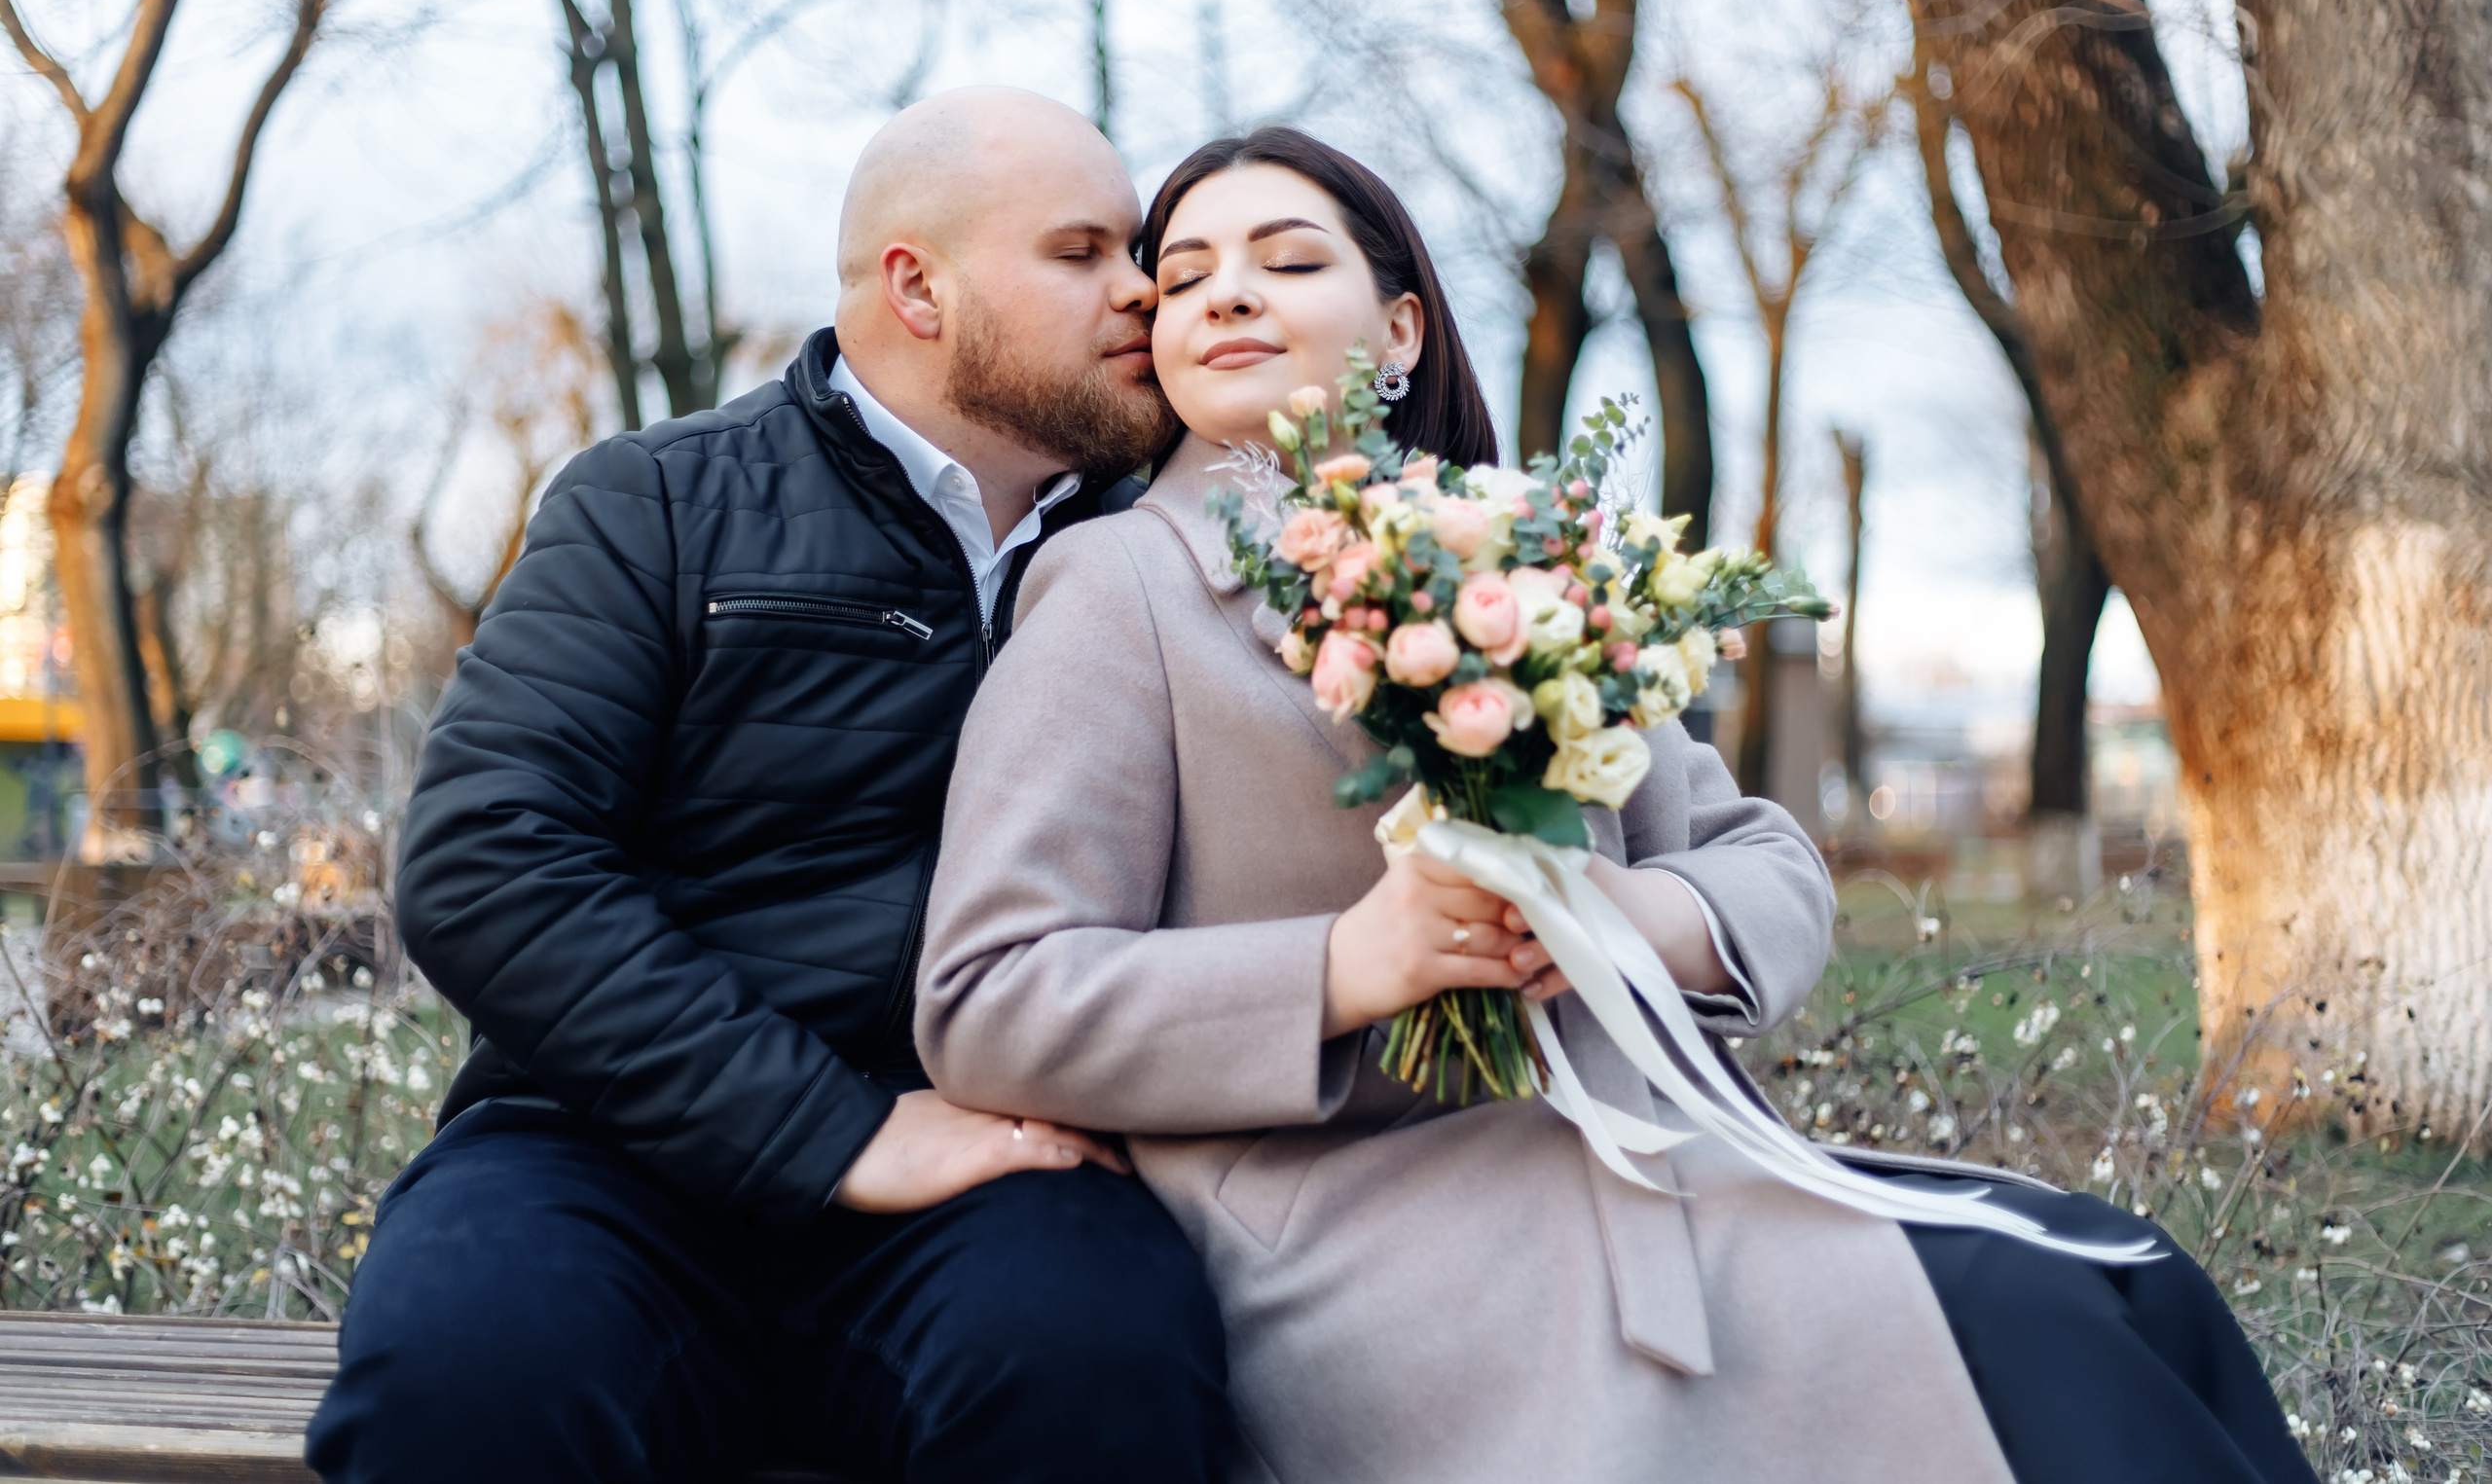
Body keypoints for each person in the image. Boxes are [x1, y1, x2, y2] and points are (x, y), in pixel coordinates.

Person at [916, 126, 2319, 1484]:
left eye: (1287, 260)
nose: (1226, 290)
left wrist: (1635, 912)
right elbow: (987, 998)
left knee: (2123, 1285)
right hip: (1348, 1225)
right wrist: (1352, 966)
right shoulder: (1117, 595)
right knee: (2024, 1335)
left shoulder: (1523, 564)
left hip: (1642, 1156)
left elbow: (1763, 861)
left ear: (1400, 332)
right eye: (1190, 271)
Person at [306, 88, 1241, 1484]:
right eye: (1082, 252)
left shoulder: (1167, 548)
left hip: (1003, 1162)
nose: (1143, 290)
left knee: (1100, 1368)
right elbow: (488, 859)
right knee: (465, 1383)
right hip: (600, 1149)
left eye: (1139, 251)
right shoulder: (657, 503)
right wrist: (834, 1131)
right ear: (917, 287)